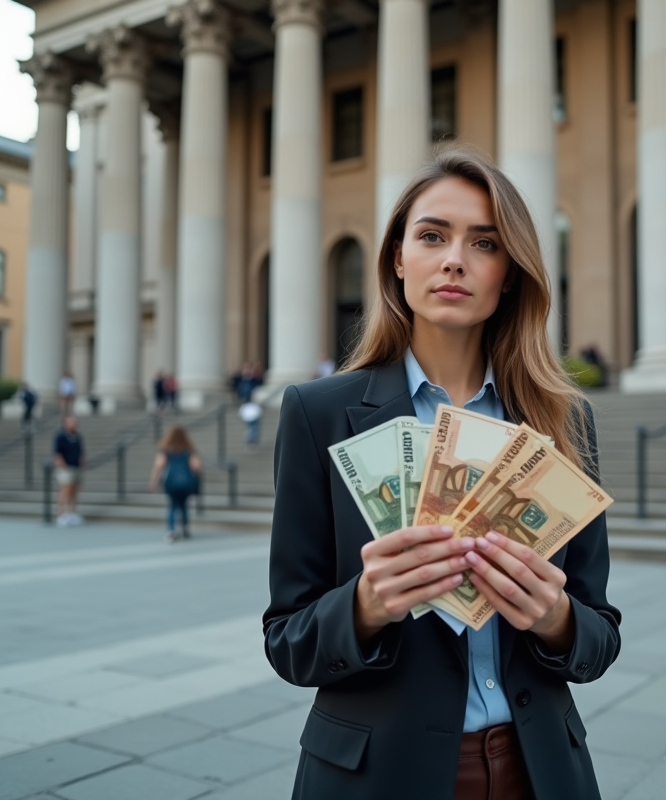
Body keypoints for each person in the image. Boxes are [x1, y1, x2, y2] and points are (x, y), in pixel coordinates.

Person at [262, 147, 620, 800]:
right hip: (377, 776)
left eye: (484, 243)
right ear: (398, 259)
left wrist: (556, 617)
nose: (455, 259)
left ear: (508, 273)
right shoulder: (319, 414)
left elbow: (600, 634)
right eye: (432, 235)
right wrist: (366, 605)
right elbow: (288, 640)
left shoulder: (561, 421)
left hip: (536, 771)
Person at [148, 426, 202, 543]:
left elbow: (158, 466)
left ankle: (171, 531)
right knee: (183, 506)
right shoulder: (188, 450)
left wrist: (153, 482)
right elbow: (197, 466)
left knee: (172, 506)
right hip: (186, 482)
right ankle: (185, 528)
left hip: (171, 482)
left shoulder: (167, 450)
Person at [53, 416, 85, 526]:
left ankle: (72, 513)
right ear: (66, 423)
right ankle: (61, 514)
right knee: (65, 491)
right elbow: (57, 452)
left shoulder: (77, 436)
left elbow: (80, 451)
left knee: (74, 492)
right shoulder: (61, 436)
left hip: (76, 466)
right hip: (66, 468)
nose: (74, 424)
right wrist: (61, 464)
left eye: (74, 422)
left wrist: (82, 461)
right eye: (71, 422)